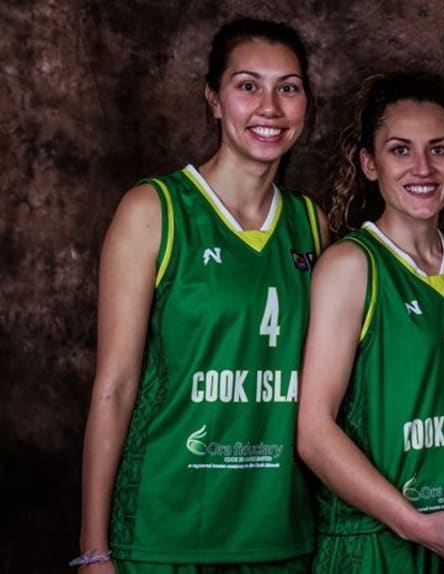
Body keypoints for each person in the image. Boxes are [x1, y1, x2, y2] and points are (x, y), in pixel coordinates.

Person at [75, 17, 328, 574]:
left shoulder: (312, 225)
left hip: (278, 536)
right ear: (213, 99)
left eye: (288, 87)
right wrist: (93, 549)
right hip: (165, 534)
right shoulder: (154, 209)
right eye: (247, 86)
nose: (270, 106)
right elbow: (115, 387)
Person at [296, 72, 444, 574]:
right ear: (369, 165)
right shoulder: (351, 266)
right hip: (377, 541)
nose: (423, 168)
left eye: (439, 150)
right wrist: (417, 525)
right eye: (400, 150)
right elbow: (313, 431)